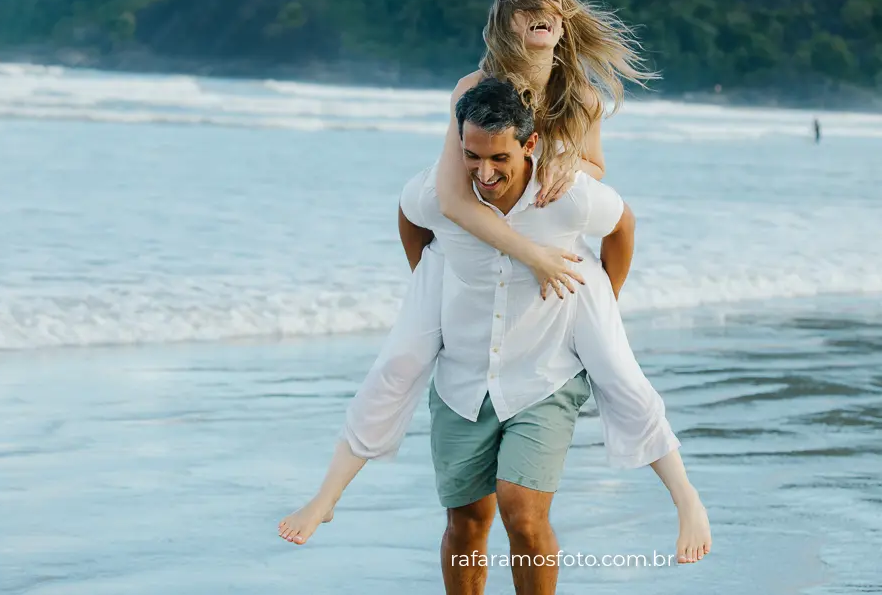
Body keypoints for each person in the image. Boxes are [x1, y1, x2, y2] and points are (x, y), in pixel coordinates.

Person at [279, 80, 710, 591]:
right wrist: (431, 274)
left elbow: (623, 226)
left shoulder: (566, 196)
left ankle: (686, 498)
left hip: (544, 374)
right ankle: (328, 496)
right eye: (472, 156)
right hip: (462, 379)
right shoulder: (438, 194)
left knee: (523, 506)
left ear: (529, 145)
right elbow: (409, 215)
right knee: (464, 520)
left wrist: (602, 301)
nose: (484, 173)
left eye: (499, 158)